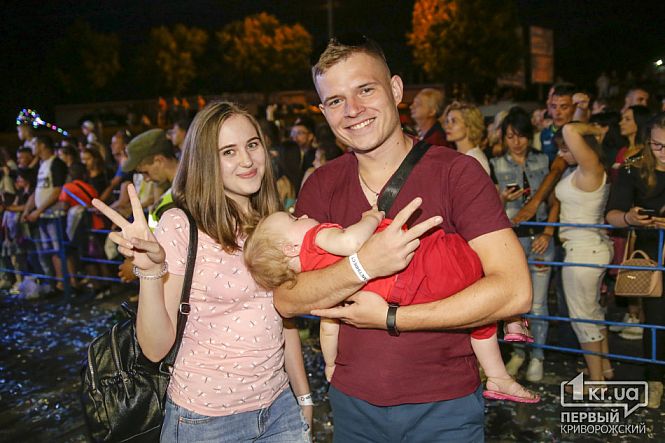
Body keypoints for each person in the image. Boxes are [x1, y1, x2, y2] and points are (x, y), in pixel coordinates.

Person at [273, 36, 531, 442]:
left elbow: (514, 291)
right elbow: (288, 298)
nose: (352, 110)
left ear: (395, 89)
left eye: (365, 90)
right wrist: (362, 266)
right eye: (336, 100)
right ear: (323, 112)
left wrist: (391, 318)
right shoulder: (321, 185)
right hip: (352, 404)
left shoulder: (456, 173)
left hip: (444, 405)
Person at [92, 101, 312, 442]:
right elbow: (155, 349)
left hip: (279, 410)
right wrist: (150, 271)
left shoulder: (273, 221)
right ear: (206, 161)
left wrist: (303, 395)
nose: (246, 160)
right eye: (228, 152)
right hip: (206, 420)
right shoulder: (181, 225)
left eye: (252, 144)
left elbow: (283, 317)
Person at [245, 205, 539, 403]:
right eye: (293, 220)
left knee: (476, 311)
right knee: (471, 260)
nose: (303, 214)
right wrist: (371, 217)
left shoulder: (318, 279)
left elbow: (328, 327)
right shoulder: (315, 238)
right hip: (416, 266)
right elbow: (350, 242)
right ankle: (512, 320)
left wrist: (331, 364)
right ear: (289, 248)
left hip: (407, 292)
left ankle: (498, 375)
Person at [491, 107, 559, 382]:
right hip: (512, 240)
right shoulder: (496, 164)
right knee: (516, 304)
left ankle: (538, 357)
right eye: (510, 136)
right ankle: (519, 352)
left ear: (529, 136)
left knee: (539, 304)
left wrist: (548, 233)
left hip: (541, 238)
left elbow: (554, 201)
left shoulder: (543, 159)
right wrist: (504, 199)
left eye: (520, 136)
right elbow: (489, 208)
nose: (516, 142)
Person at [606, 112, 665, 408]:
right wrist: (630, 218)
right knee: (655, 321)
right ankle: (654, 381)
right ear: (647, 140)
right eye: (657, 145)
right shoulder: (633, 167)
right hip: (651, 258)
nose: (663, 152)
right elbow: (612, 215)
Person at [555, 122, 613, 383]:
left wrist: (595, 130)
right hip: (588, 249)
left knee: (582, 317)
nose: (561, 153)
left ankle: (596, 381)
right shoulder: (585, 170)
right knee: (593, 312)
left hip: (583, 251)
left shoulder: (590, 168)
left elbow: (569, 129)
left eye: (565, 149)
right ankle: (604, 369)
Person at [443, 101, 491, 174]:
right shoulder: (457, 155)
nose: (447, 126)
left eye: (454, 121)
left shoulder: (475, 159)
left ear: (469, 125)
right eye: (447, 121)